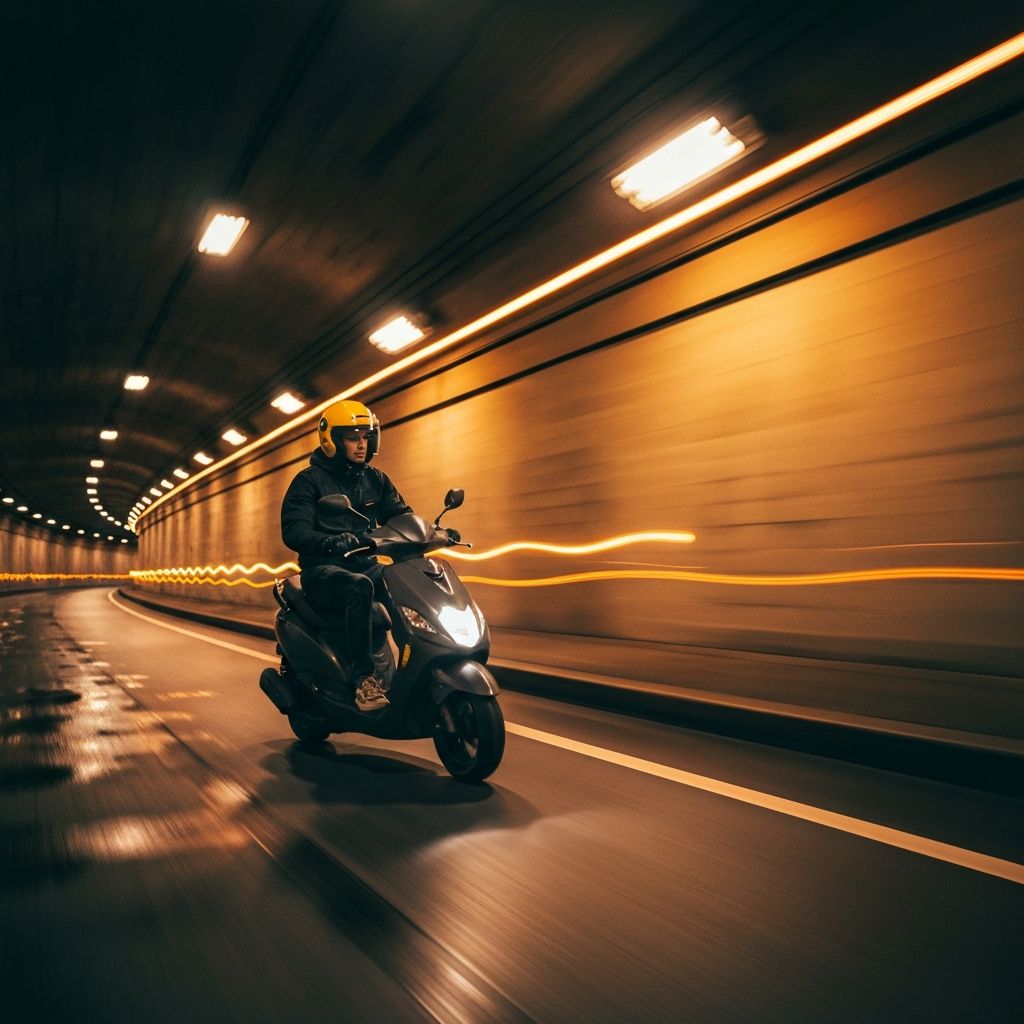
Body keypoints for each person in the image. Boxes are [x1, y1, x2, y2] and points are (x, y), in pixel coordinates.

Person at [281, 399, 412, 711]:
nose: (361, 444)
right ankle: (364, 681)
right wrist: (330, 542)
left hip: (365, 564)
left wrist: (428, 533)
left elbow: (401, 515)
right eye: (353, 437)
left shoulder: (375, 479)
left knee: (407, 577)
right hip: (322, 571)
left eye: (366, 437)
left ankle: (417, 662)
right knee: (359, 586)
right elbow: (294, 532)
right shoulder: (308, 482)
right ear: (332, 441)